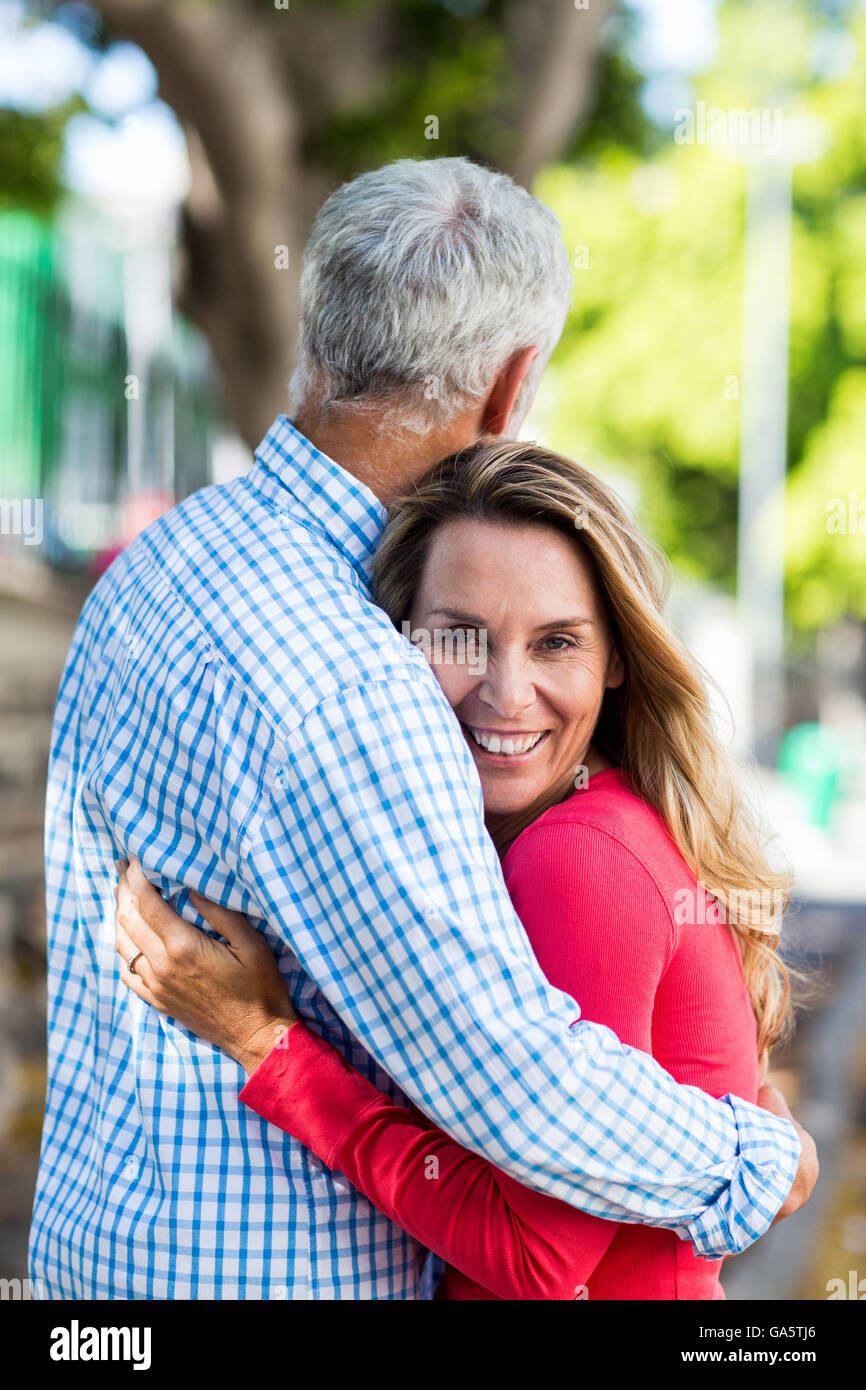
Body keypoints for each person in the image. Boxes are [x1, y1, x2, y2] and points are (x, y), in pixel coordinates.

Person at [31, 157, 815, 1301]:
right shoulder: (350, 679)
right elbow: (517, 1078)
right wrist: (757, 1159)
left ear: (318, 337)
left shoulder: (159, 563)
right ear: (508, 392)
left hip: (96, 1262)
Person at [115, 439, 806, 1300]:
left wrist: (268, 1045)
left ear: (618, 659)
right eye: (461, 637)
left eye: (556, 643)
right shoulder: (588, 826)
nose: (507, 694)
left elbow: (534, 1260)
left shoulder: (577, 857)